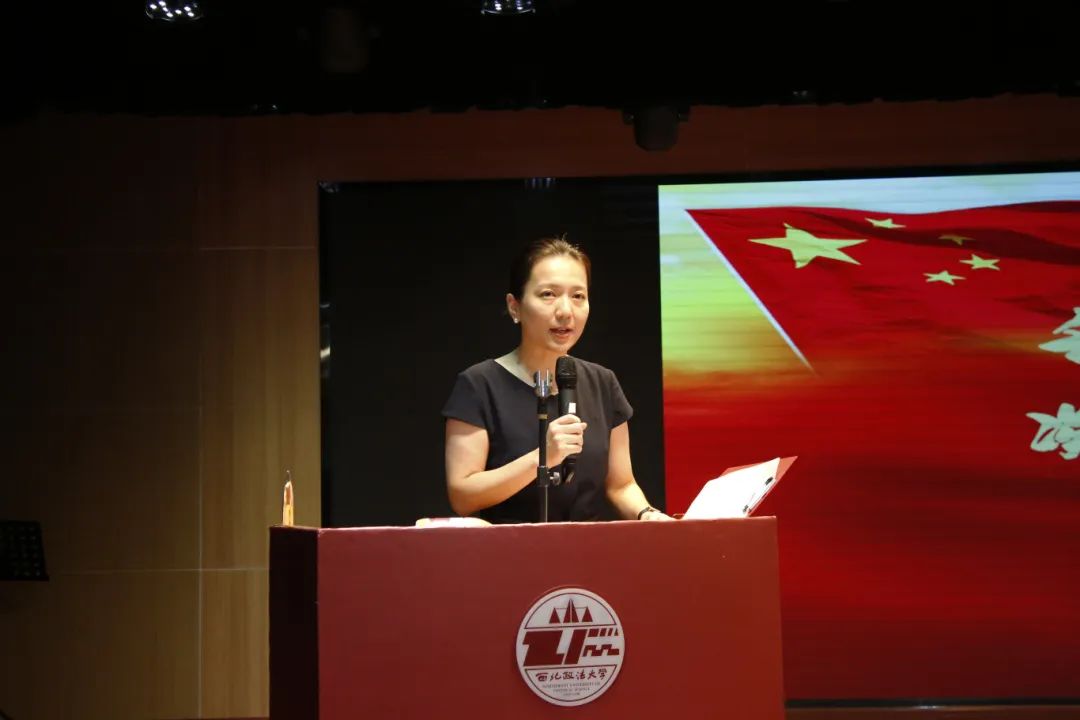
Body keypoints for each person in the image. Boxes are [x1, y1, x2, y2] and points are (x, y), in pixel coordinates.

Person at [441, 235, 672, 524]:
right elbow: (463, 495)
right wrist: (543, 457)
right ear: (514, 306)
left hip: (589, 547)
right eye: (548, 294)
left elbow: (621, 485)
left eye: (578, 296)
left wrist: (647, 514)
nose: (565, 311)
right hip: (510, 547)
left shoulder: (603, 382)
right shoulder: (479, 384)